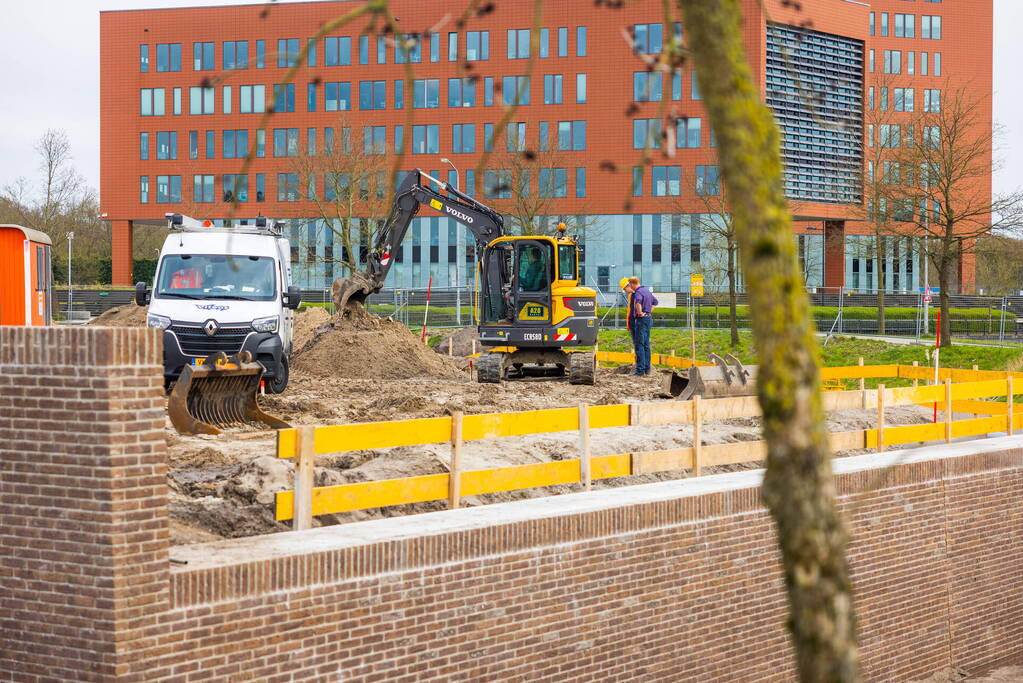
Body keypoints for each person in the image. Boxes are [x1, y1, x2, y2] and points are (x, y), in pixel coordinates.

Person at [621, 276, 657, 376]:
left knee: (639, 345)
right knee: (645, 345)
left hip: (640, 321)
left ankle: (640, 370)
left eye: (625, 288)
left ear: (630, 285)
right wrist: (648, 312)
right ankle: (646, 369)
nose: (626, 291)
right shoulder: (645, 291)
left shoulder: (638, 293)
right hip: (644, 320)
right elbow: (655, 302)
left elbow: (638, 304)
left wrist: (641, 313)